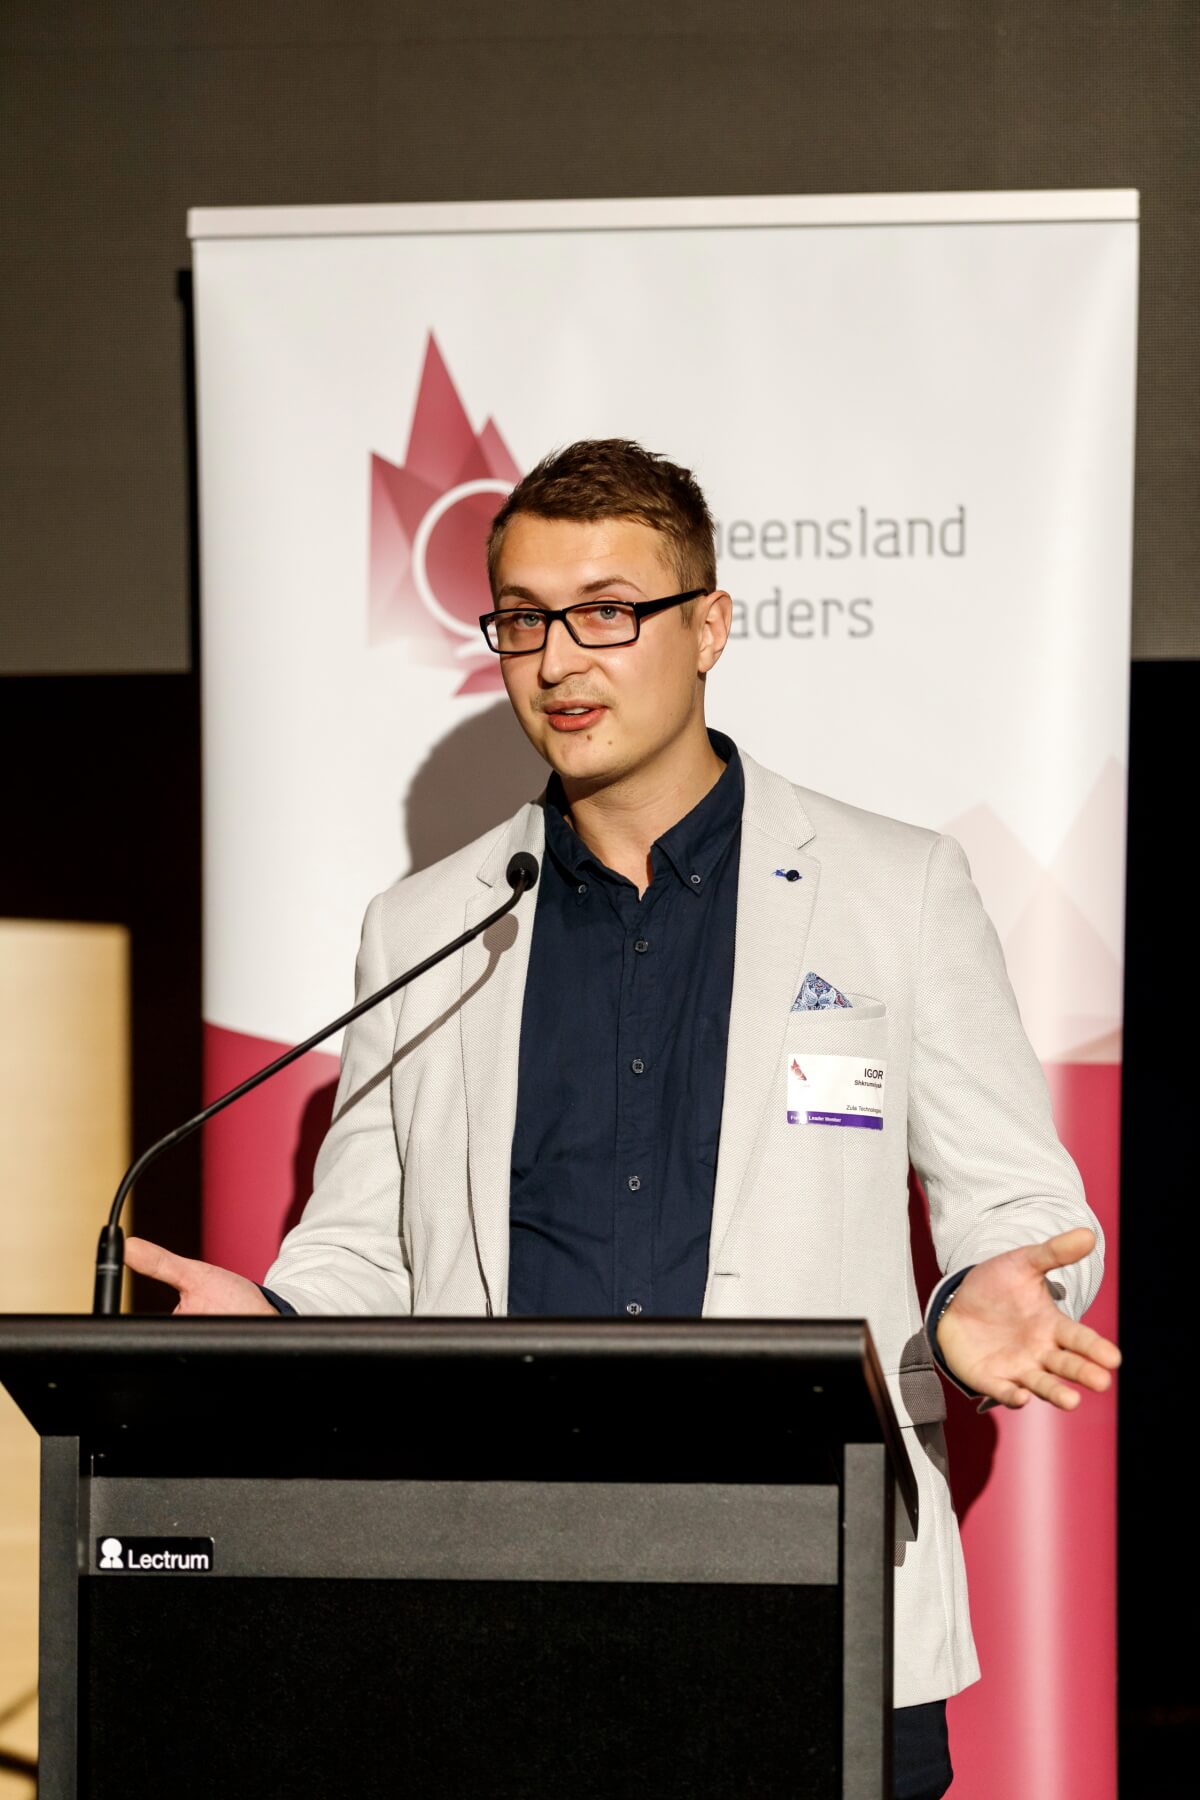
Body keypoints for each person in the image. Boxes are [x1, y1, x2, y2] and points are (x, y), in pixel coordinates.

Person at [126, 439, 1120, 1800]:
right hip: (505, 1591)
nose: (558, 661)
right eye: (524, 619)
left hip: (813, 1581)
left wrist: (986, 1288)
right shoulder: (429, 924)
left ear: (709, 626)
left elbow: (1021, 1201)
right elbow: (360, 1247)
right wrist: (277, 1327)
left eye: (607, 612)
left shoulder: (895, 888)